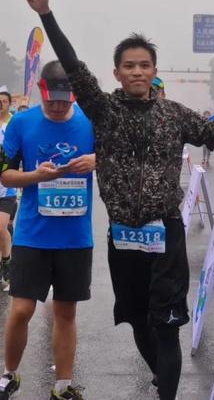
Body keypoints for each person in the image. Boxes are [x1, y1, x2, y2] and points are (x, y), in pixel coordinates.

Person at [25, 0, 214, 400]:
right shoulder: (103, 109)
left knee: (167, 326)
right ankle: (162, 376)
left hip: (165, 232)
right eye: (129, 65)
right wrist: (47, 14)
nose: (137, 71)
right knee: (138, 321)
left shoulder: (174, 114)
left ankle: (167, 392)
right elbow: (74, 64)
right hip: (124, 237)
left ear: (154, 71)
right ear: (117, 73)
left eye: (145, 65)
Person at [0, 60, 96, 400]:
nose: (57, 106)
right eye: (51, 100)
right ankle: (9, 375)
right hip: (32, 234)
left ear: (73, 96)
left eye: (63, 100)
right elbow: (4, 174)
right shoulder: (21, 123)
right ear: (41, 91)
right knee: (21, 311)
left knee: (65, 312)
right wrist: (35, 177)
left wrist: (97, 159)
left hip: (75, 237)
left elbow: (119, 156)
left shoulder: (91, 121)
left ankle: (62, 385)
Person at [0, 90, 16, 290]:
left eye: (4, 102)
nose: (0, 104)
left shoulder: (14, 124)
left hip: (6, 186)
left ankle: (7, 264)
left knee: (1, 226)